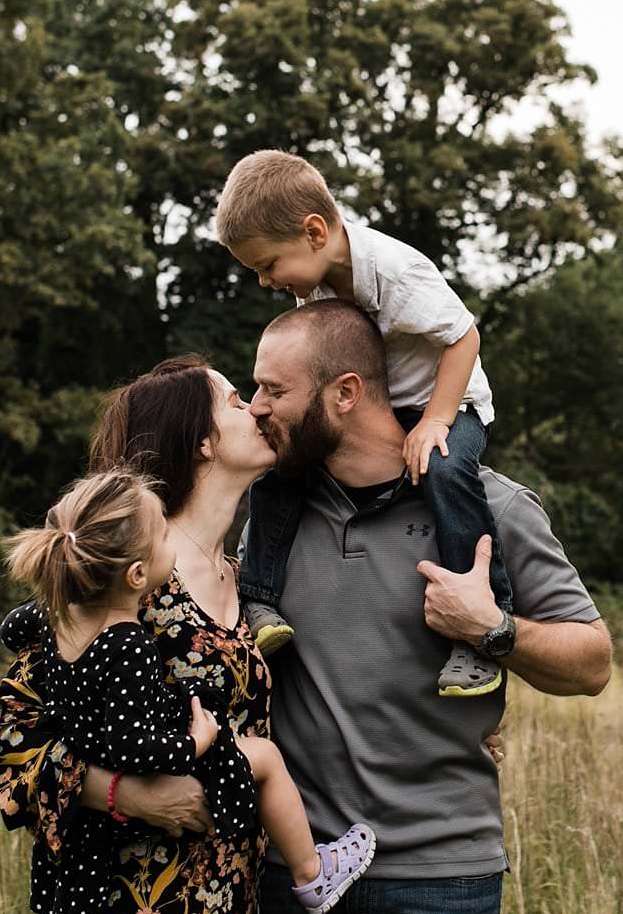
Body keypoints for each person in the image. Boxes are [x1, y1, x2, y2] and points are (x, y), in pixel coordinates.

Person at [244, 299, 612, 914]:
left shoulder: (491, 505)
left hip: (444, 876)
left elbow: (592, 662)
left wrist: (492, 629)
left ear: (345, 392)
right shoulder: (270, 522)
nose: (255, 406)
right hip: (295, 876)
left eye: (274, 389)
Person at [0, 465, 378, 914]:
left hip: (205, 886)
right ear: (135, 575)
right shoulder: (129, 635)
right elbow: (123, 747)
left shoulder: (59, 615)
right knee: (261, 757)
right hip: (153, 844)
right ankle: (312, 873)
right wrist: (194, 745)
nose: (168, 542)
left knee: (73, 856)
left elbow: (13, 627)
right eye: (161, 536)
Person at [0, 358, 283, 914]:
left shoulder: (252, 576)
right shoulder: (127, 579)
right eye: (234, 401)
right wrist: (123, 793)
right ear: (202, 440)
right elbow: (6, 738)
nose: (257, 408)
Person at [215, 149, 510, 698]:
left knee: (445, 474)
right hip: (386, 405)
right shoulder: (317, 281)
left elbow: (463, 336)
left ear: (314, 231)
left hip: (450, 402)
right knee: (285, 471)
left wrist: (438, 421)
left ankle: (478, 629)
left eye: (267, 265)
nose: (263, 282)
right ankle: (258, 597)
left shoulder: (398, 272)